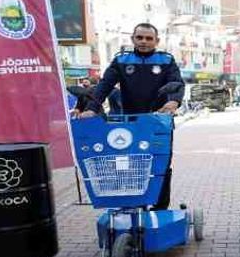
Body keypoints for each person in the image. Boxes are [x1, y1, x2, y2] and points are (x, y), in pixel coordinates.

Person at [79, 23, 184, 209]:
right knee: (130, 165)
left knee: (160, 164)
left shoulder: (166, 60)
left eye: (149, 38)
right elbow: (105, 85)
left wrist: (173, 101)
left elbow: (176, 83)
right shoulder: (122, 60)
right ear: (133, 39)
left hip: (158, 122)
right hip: (129, 123)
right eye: (140, 37)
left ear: (156, 41)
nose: (144, 42)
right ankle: (132, 205)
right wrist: (91, 108)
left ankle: (160, 208)